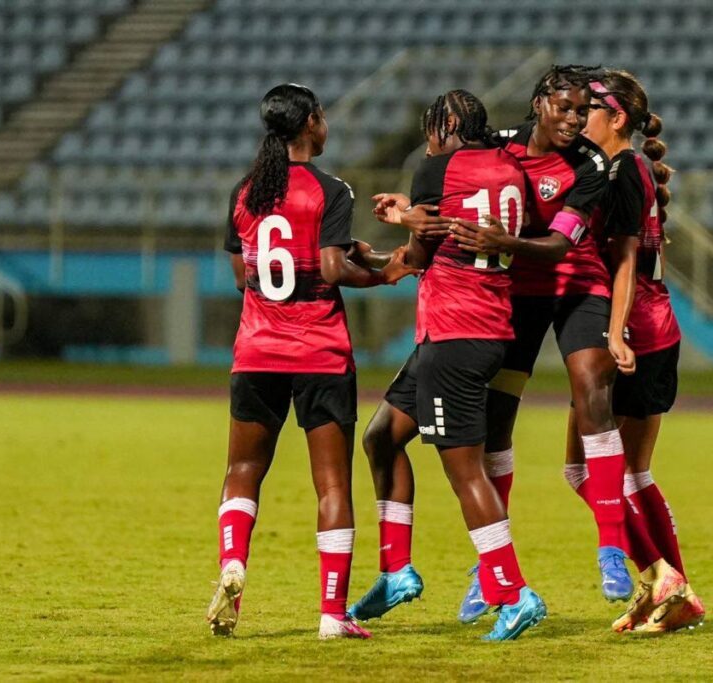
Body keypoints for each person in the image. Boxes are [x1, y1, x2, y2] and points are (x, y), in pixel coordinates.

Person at [207, 83, 416, 640]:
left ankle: (233, 565)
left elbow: (241, 274)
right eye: (322, 117)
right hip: (320, 353)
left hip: (256, 350)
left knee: (243, 471)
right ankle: (330, 615)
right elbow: (329, 267)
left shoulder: (245, 191)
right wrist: (384, 273)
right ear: (309, 125)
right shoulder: (330, 190)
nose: (326, 126)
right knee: (332, 488)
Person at [349, 89, 547, 641]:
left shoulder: (438, 168)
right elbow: (440, 233)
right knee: (382, 436)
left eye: (433, 126)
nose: (428, 138)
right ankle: (395, 571)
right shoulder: (510, 167)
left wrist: (388, 247)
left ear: (451, 123)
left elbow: (420, 254)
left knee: (466, 472)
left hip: (456, 332)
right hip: (481, 327)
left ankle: (513, 591)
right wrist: (405, 228)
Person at [448, 65, 634, 620]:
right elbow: (448, 170)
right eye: (564, 108)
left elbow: (557, 247)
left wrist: (504, 240)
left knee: (590, 390)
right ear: (537, 104)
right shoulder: (497, 146)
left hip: (577, 286)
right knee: (496, 423)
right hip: (516, 296)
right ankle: (489, 569)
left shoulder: (592, 165)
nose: (574, 120)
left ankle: (612, 549)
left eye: (582, 110)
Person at [578, 69, 705, 634]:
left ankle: (662, 579)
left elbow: (626, 259)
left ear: (617, 118)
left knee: (586, 470)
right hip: (657, 327)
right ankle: (674, 593)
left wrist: (613, 331)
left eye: (589, 109)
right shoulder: (630, 168)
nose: (580, 118)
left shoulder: (624, 168)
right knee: (632, 471)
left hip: (634, 332)